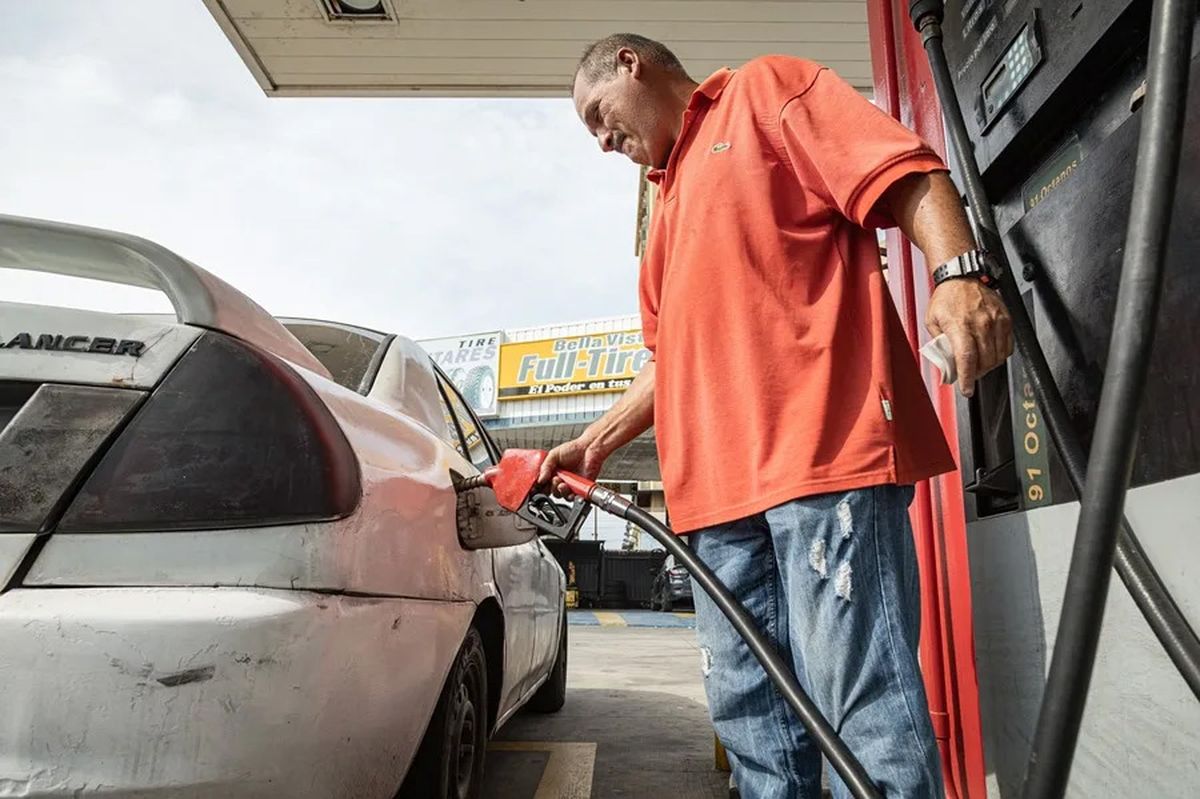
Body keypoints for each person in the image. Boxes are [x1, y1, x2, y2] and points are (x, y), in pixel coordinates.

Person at [546, 33, 1013, 799]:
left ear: (631, 63)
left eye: (599, 116)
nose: (601, 142)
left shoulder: (764, 93)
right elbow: (666, 361)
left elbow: (904, 170)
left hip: (823, 468)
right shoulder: (663, 212)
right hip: (714, 511)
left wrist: (958, 272)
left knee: (860, 721)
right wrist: (592, 444)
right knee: (756, 732)